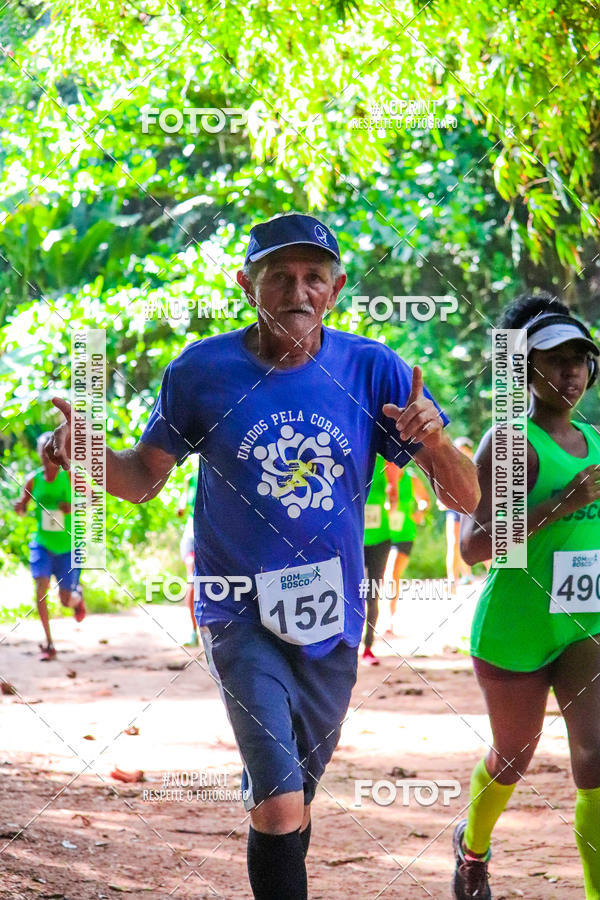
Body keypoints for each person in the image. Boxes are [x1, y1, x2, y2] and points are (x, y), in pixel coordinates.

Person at [44, 213, 479, 900]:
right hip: (235, 609)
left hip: (332, 616)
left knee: (296, 794)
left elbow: (469, 496)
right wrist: (86, 457)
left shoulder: (374, 370)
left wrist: (435, 443)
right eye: (280, 276)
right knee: (279, 804)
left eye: (313, 277)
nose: (297, 291)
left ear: (334, 291)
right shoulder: (201, 371)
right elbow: (141, 479)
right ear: (247, 285)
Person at [454, 293, 600, 900]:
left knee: (596, 760)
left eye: (580, 359)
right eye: (552, 359)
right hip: (516, 625)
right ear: (526, 370)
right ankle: (472, 847)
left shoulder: (595, 439)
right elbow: (474, 545)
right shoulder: (511, 441)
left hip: (584, 622)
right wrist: (561, 504)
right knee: (514, 758)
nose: (569, 372)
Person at [14, 431, 85, 661]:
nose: (47, 458)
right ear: (40, 455)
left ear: (59, 453)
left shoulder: (70, 477)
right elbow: (22, 507)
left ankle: (77, 598)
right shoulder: (33, 480)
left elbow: (92, 500)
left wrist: (71, 507)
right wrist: (19, 507)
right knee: (41, 588)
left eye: (51, 453)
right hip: (42, 544)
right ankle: (49, 643)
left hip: (67, 547)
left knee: (65, 600)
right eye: (44, 454)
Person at [385, 460, 431, 632]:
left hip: (404, 535)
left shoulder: (410, 479)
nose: (393, 465)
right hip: (383, 535)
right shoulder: (379, 480)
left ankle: (390, 619)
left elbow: (425, 500)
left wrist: (421, 510)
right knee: (382, 577)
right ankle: (381, 615)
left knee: (392, 573)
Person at [362, 454, 392, 665]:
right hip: (354, 537)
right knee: (348, 591)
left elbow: (395, 494)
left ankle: (368, 647)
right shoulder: (348, 450)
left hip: (380, 538)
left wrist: (393, 493)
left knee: (372, 593)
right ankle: (344, 646)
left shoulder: (385, 460)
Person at [439, 437, 475, 594]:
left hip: (472, 511)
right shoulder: (448, 468)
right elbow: (440, 496)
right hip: (453, 511)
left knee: (473, 542)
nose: (462, 453)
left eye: (465, 450)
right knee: (453, 544)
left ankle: (487, 576)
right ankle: (452, 580)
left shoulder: (476, 467)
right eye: (459, 449)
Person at [177, 465, 199, 646]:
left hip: (209, 537)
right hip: (192, 535)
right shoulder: (191, 478)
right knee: (192, 579)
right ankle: (193, 631)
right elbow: (181, 507)